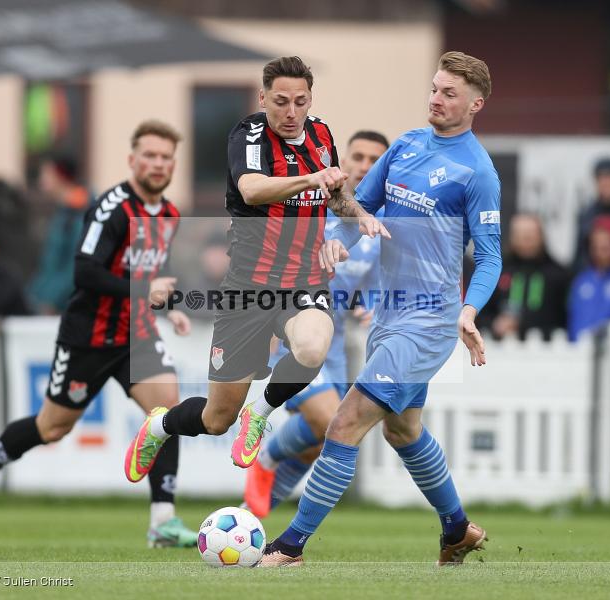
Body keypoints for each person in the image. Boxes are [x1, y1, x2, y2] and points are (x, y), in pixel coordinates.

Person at [260, 50, 502, 567]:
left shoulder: (478, 171)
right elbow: (356, 207)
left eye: (449, 93)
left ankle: (292, 545)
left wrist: (469, 310)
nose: (436, 99)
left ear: (476, 104)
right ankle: (457, 529)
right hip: (391, 316)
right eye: (434, 88)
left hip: (430, 322)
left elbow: (490, 256)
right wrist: (334, 238)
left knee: (345, 423)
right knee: (403, 430)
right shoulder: (408, 145)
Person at [125, 57, 387, 477]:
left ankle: (261, 411)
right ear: (263, 97)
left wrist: (358, 214)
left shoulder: (321, 134)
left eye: (299, 101)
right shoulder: (248, 134)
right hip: (248, 287)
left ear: (309, 101)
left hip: (304, 279)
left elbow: (335, 195)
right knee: (216, 418)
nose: (290, 111)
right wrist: (311, 178)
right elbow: (251, 190)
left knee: (313, 345)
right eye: (280, 101)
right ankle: (160, 425)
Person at [0, 120, 200, 548]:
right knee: (52, 427)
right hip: (87, 335)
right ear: (132, 160)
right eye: (150, 155)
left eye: (165, 157)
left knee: (166, 412)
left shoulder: (170, 214)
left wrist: (170, 307)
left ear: (173, 164)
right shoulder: (111, 208)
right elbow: (85, 273)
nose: (158, 163)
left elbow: (146, 271)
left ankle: (163, 521)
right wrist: (146, 290)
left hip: (135, 333)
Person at [243, 130, 390, 517]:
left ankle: (250, 519)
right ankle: (267, 460)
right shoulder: (315, 205)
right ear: (342, 163)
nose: (365, 166)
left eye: (376, 159)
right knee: (328, 424)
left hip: (335, 345)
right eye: (358, 156)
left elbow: (375, 284)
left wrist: (372, 304)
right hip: (297, 335)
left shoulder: (376, 225)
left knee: (319, 442)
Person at [480, 213, 569, 341]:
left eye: (530, 235)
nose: (526, 240)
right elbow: (480, 313)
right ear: (512, 237)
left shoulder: (558, 275)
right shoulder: (496, 271)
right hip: (499, 351)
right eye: (520, 235)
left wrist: (521, 323)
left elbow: (561, 318)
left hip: (547, 352)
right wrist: (495, 323)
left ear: (541, 236)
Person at [27, 154, 92, 314]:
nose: (41, 180)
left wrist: (51, 301)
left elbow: (77, 266)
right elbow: (49, 266)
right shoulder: (63, 213)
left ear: (61, 176)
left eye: (46, 174)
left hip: (66, 309)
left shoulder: (80, 214)